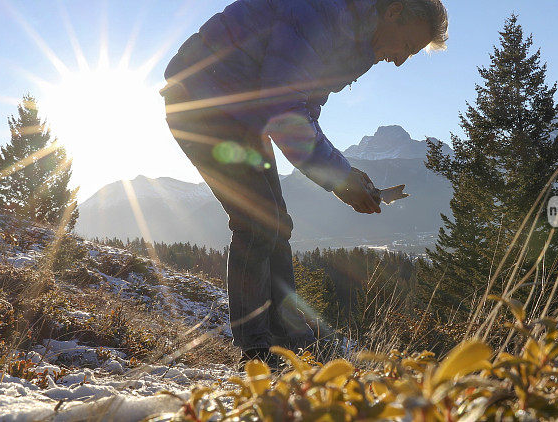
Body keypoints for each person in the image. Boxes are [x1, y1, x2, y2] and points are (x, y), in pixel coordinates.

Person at [161, 0, 448, 362]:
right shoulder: (322, 15)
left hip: (240, 114)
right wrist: (340, 178)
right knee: (257, 223)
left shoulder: (355, 45)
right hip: (202, 100)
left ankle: (285, 344)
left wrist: (347, 175)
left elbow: (305, 112)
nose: (401, 60)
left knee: (275, 224)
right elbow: (284, 109)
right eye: (408, 45)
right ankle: (258, 351)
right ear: (393, 11)